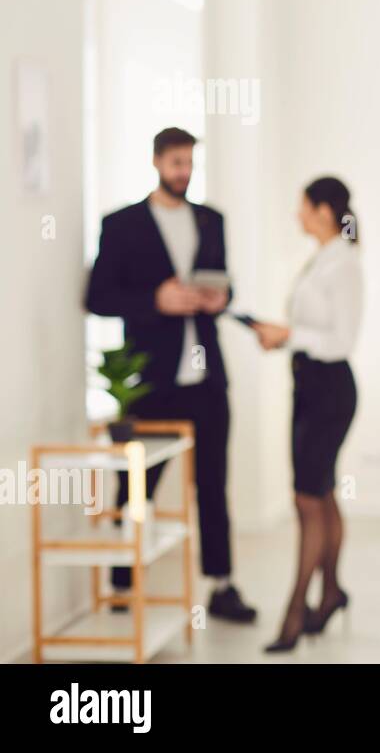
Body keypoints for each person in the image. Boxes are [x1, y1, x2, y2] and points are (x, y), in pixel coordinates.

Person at [85, 126, 257, 623]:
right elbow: (97, 298)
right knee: (137, 484)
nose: (184, 172)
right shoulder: (121, 225)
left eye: (189, 164)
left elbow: (225, 282)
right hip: (151, 379)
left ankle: (222, 585)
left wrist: (221, 298)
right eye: (176, 163)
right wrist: (154, 302)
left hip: (207, 376)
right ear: (157, 161)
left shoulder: (210, 220)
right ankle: (122, 584)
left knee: (213, 484)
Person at [251, 177, 362, 653]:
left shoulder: (345, 264)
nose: (296, 215)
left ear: (321, 210)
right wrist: (282, 336)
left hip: (330, 391)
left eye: (301, 206)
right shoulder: (322, 259)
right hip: (309, 386)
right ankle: (331, 591)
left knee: (306, 501)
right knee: (322, 494)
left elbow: (340, 342)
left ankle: (296, 610)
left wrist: (289, 334)